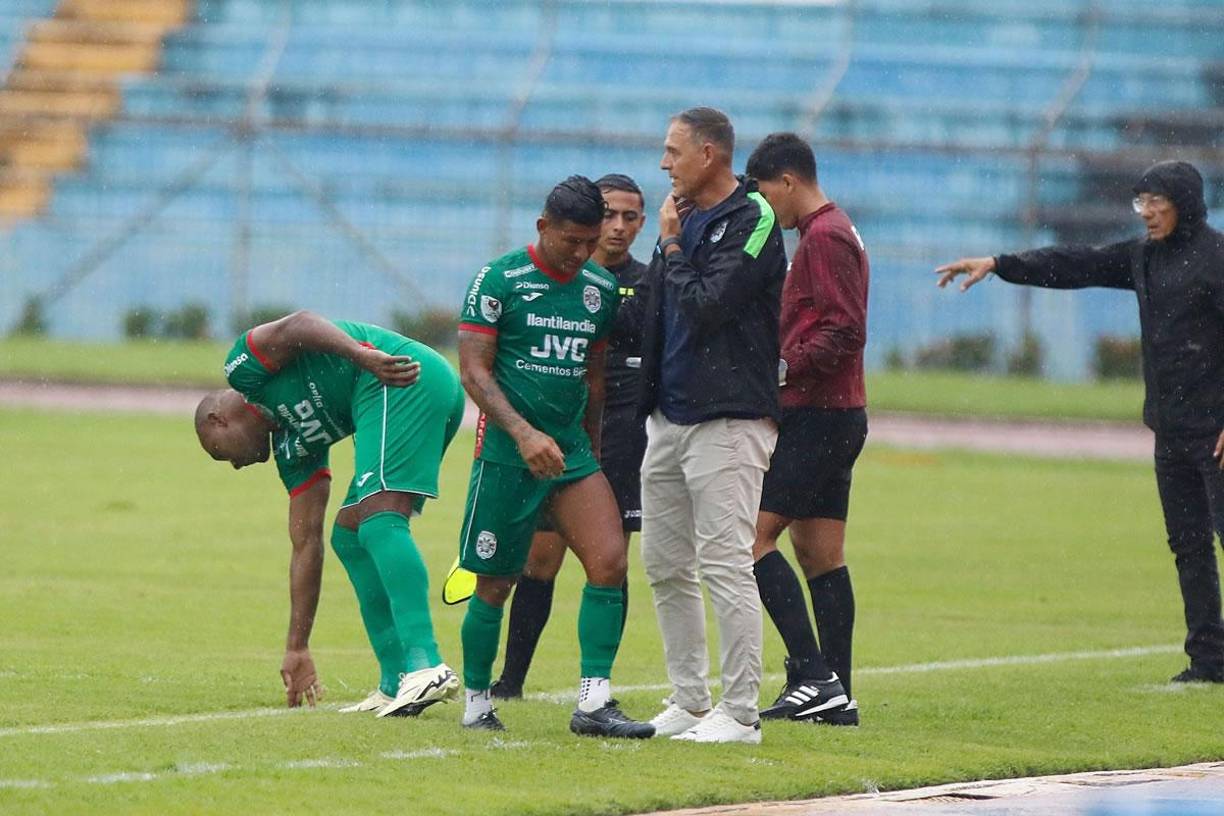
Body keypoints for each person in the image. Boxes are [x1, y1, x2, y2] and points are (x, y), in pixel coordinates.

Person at [936, 160, 1224, 684]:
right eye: (1142, 202)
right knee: (1188, 545)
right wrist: (1001, 263)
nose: (1148, 212)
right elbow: (1074, 264)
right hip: (1170, 428)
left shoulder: (1218, 258)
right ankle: (1208, 661)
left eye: (1158, 201)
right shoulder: (1143, 257)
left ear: (1185, 202)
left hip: (1217, 431)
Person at [455, 175, 655, 737]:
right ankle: (476, 701)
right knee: (495, 584)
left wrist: (588, 450)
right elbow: (473, 371)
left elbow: (593, 376)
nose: (582, 253)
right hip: (507, 455)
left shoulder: (597, 289)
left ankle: (593, 702)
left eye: (589, 242)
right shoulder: (497, 281)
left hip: (570, 456)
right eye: (571, 241)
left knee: (610, 562)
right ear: (543, 227)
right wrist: (521, 433)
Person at [195, 311, 465, 714]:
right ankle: (396, 682)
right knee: (350, 536)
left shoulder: (244, 369)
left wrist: (361, 356)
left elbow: (298, 325)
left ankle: (427, 666)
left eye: (221, 452)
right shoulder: (292, 449)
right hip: (399, 392)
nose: (234, 465)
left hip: (398, 379)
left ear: (219, 419)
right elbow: (306, 545)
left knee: (379, 521)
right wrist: (297, 646)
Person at [637, 107, 787, 744]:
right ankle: (691, 699)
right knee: (665, 563)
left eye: (673, 151)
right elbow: (652, 308)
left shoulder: (754, 220)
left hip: (728, 420)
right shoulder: (683, 216)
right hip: (669, 417)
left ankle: (743, 713)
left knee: (725, 563)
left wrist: (672, 243)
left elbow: (707, 305)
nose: (664, 163)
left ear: (709, 154)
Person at [745, 133, 867, 725]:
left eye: (766, 191)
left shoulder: (825, 236)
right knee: (819, 554)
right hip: (836, 414)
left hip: (820, 416)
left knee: (751, 540)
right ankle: (836, 693)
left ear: (788, 181)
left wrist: (783, 367)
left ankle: (813, 674)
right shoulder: (824, 232)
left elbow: (846, 330)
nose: (764, 206)